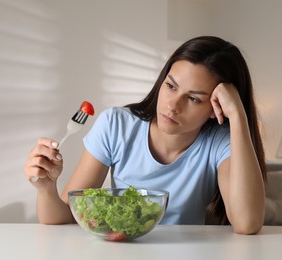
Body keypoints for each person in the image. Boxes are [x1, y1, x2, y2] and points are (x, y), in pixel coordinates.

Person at [24, 36, 266, 235]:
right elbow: (65, 216)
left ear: (216, 108)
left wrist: (238, 115)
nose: (173, 105)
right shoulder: (116, 125)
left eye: (193, 99)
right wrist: (47, 189)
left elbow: (247, 224)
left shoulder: (219, 140)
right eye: (171, 86)